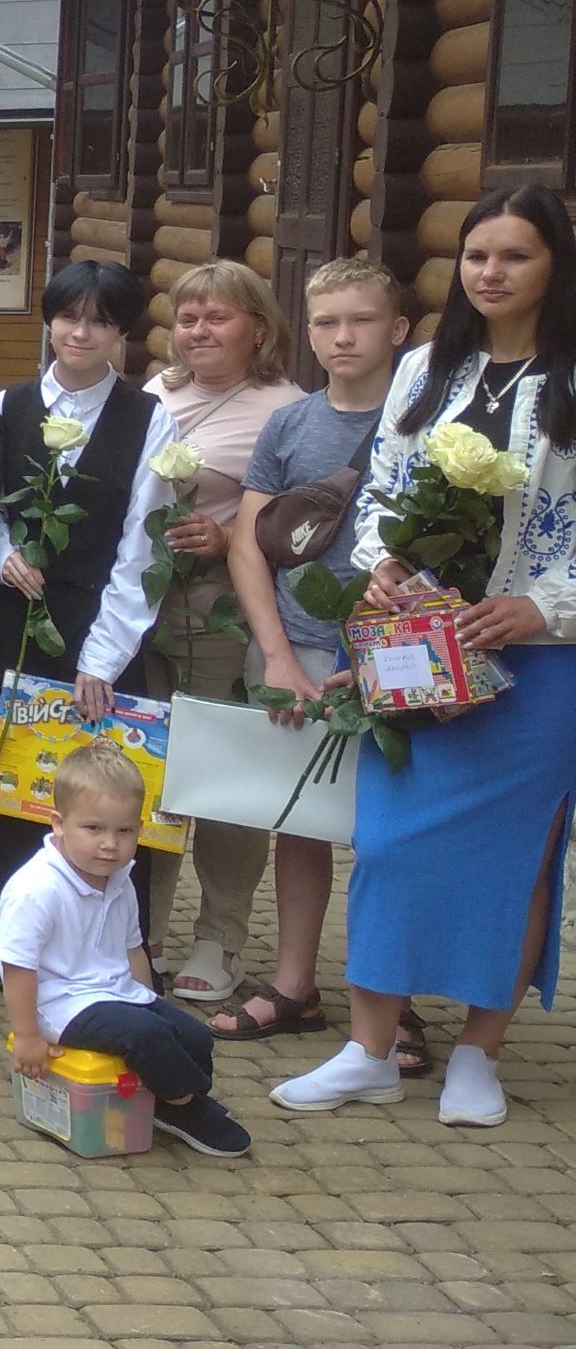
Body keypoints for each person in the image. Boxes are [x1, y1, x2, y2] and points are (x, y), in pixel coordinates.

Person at [273, 187, 576, 1129]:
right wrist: (383, 569)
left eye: (515, 256)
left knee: (513, 859)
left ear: (554, 265)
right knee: (392, 844)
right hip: (416, 643)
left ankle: (478, 1056)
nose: (491, 274)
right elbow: (380, 496)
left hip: (540, 660)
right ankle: (369, 1047)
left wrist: (541, 605)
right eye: (478, 256)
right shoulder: (422, 372)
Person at [212, 257, 413, 1057]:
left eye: (361, 320)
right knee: (301, 823)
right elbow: (249, 546)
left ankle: (393, 1001)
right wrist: (278, 657)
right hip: (296, 645)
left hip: (395, 654)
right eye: (326, 322)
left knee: (393, 831)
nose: (342, 336)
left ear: (397, 330)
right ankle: (296, 985)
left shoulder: (426, 419)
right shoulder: (291, 424)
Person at [0, 260, 175, 958]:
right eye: (69, 316)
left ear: (122, 332)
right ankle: (15, 948)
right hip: (14, 620)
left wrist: (102, 659)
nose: (80, 333)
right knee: (7, 790)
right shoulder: (7, 406)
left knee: (106, 797)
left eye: (101, 321)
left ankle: (109, 951)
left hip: (101, 626)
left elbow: (142, 548)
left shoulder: (151, 419)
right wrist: (3, 557)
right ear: (50, 319)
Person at [140, 260, 304, 1002]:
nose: (197, 330)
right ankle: (142, 931)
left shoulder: (286, 407)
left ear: (259, 329)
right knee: (150, 773)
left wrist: (233, 527)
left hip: (226, 616)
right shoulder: (155, 392)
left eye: (217, 317)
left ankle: (220, 938)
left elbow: (304, 515)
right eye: (188, 317)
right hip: (147, 616)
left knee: (224, 780)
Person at [0, 741, 254, 1156]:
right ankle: (183, 1106)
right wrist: (27, 1035)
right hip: (61, 1004)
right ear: (59, 823)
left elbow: (134, 949)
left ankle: (175, 1099)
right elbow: (18, 967)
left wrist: (151, 1002)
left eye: (125, 831)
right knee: (147, 1035)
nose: (110, 845)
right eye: (93, 829)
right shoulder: (36, 889)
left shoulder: (119, 879)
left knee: (191, 1033)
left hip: (113, 992)